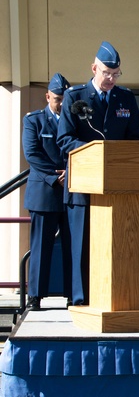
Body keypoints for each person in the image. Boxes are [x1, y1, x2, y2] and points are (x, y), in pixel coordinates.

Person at [56, 41, 139, 306]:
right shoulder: (75, 97)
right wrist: (95, 151)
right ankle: (81, 300)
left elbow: (134, 139)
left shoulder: (125, 98)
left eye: (116, 74)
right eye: (106, 73)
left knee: (114, 245)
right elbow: (65, 140)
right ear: (94, 68)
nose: (111, 79)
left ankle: (112, 296)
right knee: (82, 246)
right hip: (84, 183)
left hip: (116, 186)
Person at [21, 73, 74, 309]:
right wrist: (56, 178)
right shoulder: (34, 120)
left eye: (65, 98)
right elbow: (33, 154)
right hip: (45, 193)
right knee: (42, 248)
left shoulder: (76, 122)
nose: (62, 103)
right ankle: (36, 296)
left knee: (73, 247)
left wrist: (70, 174)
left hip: (73, 191)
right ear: (47, 96)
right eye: (57, 98)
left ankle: (75, 294)